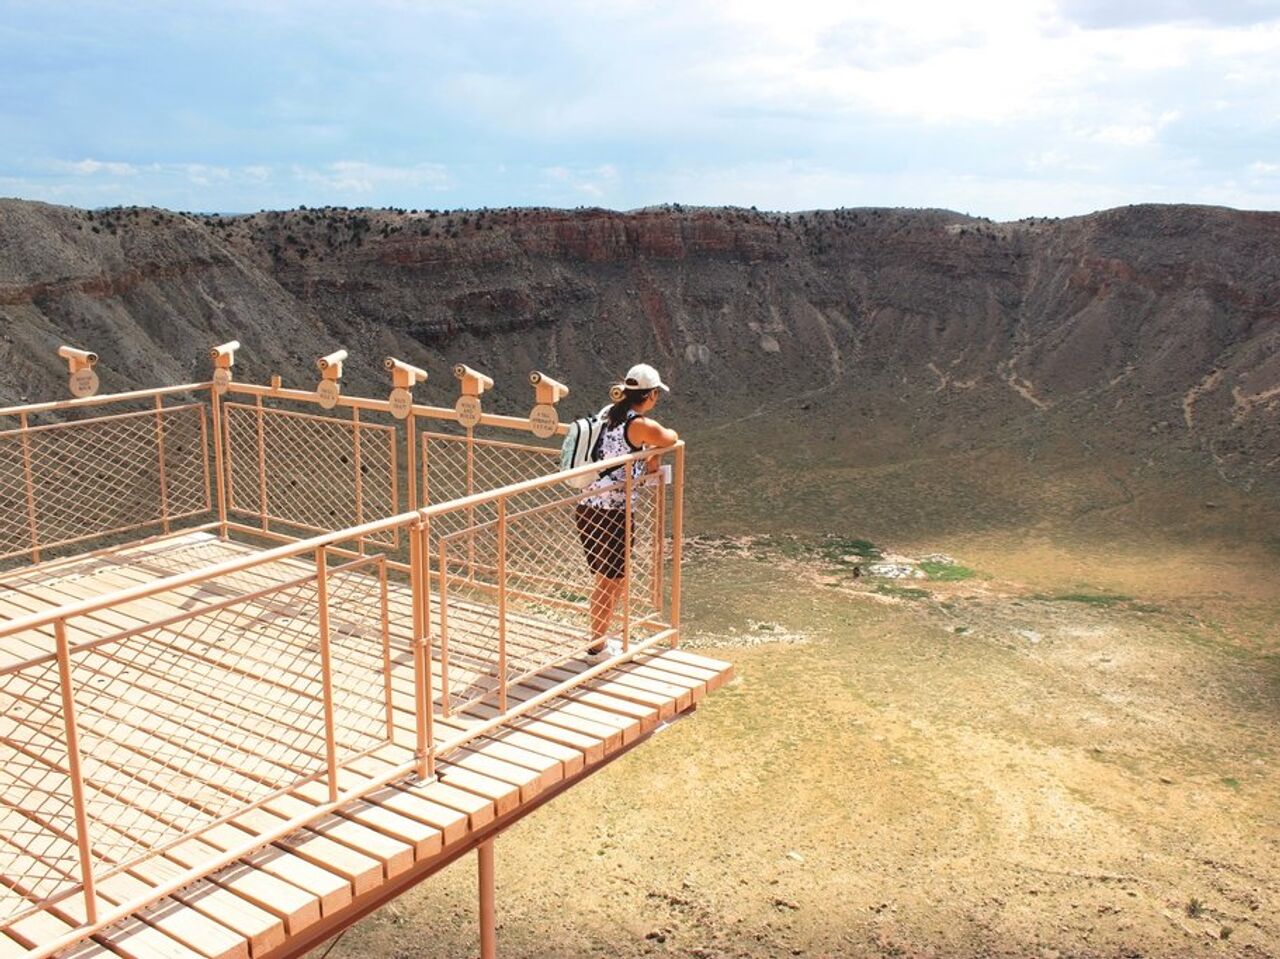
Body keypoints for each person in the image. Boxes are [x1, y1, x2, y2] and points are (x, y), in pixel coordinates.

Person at [574, 363, 679, 663]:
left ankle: (599, 641)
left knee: (606, 580)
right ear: (651, 395)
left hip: (587, 507)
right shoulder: (640, 425)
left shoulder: (608, 413)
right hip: (614, 513)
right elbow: (670, 437)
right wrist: (655, 448)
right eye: (656, 394)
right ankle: (596, 648)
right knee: (612, 581)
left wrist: (651, 451)